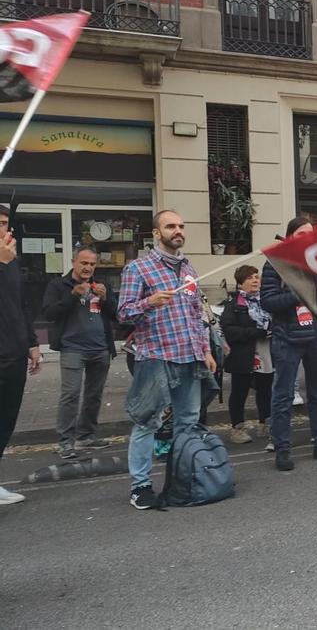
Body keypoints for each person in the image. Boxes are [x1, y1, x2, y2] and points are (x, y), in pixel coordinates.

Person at [118, 210, 217, 509]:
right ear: (156, 233)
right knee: (147, 422)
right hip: (155, 357)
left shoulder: (189, 270)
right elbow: (123, 313)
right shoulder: (138, 269)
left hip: (189, 356)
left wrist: (207, 350)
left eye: (181, 226)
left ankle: (181, 477)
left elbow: (197, 314)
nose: (178, 231)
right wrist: (149, 301)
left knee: (187, 422)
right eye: (170, 226)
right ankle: (141, 486)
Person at [261, 216, 317, 471]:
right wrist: (300, 290)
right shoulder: (275, 264)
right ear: (290, 237)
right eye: (301, 234)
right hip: (287, 339)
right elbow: (268, 302)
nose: (307, 238)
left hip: (316, 337)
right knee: (283, 395)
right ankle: (282, 447)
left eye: (311, 234)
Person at [41, 245, 116, 459]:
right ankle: (65, 442)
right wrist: (72, 295)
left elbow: (116, 315)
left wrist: (106, 299)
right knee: (70, 395)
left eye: (92, 264)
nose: (88, 268)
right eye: (84, 263)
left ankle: (87, 436)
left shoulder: (101, 285)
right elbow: (49, 314)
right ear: (74, 262)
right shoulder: (58, 285)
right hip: (73, 348)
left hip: (100, 348)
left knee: (94, 395)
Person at [0, 206, 42, 506]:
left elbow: (22, 305)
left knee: (6, 420)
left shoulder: (12, 261)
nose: (5, 230)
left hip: (13, 352)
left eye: (6, 224)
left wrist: (32, 343)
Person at [219, 265, 274, 446]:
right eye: (250, 278)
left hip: (266, 352)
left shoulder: (267, 301)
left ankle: (265, 423)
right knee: (239, 391)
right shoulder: (234, 304)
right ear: (241, 283)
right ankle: (237, 428)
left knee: (265, 389)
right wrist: (256, 332)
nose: (255, 280)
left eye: (257, 277)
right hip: (243, 354)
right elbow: (229, 330)